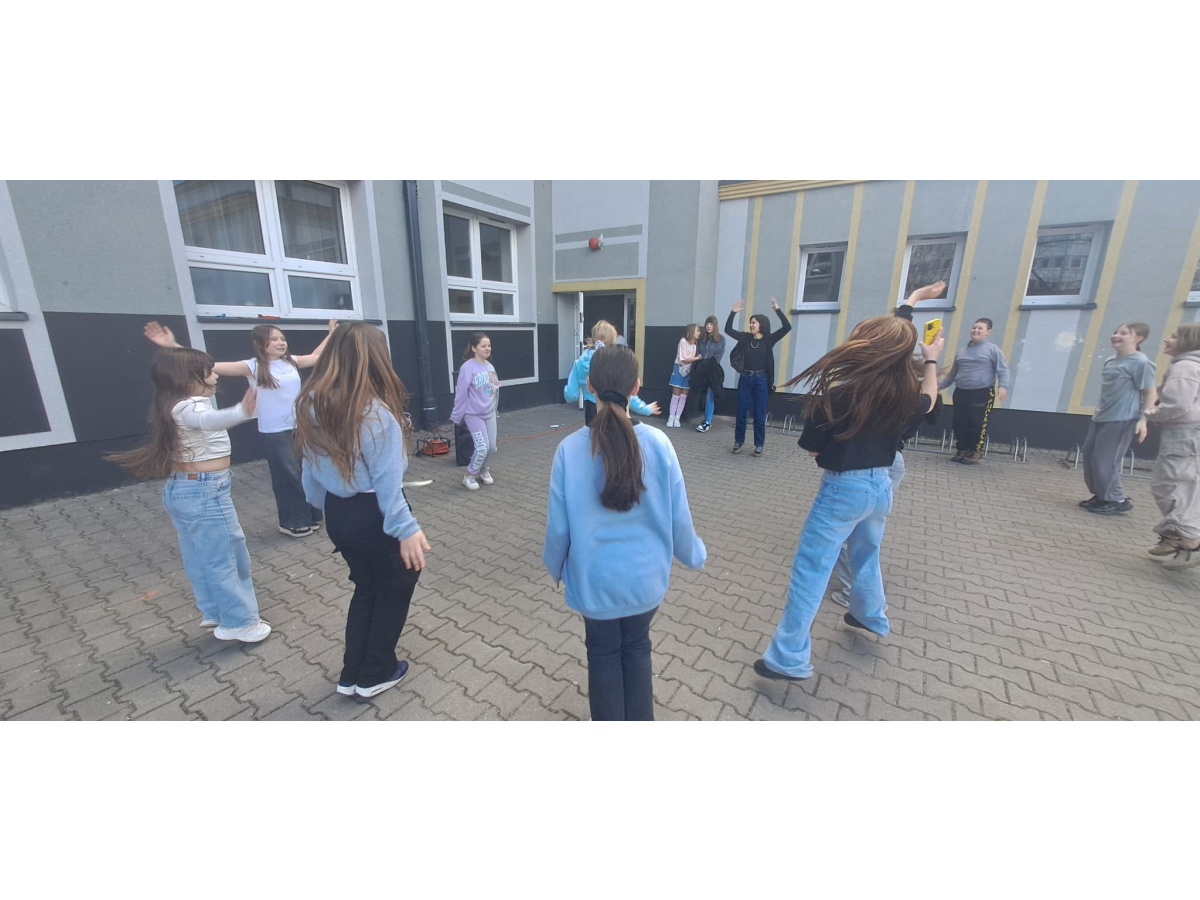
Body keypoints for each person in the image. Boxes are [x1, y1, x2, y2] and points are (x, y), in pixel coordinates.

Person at [754, 314, 945, 681]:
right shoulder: (905, 396)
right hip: (881, 486)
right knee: (866, 554)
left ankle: (787, 658)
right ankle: (869, 615)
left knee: (811, 569)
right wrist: (932, 358)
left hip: (844, 489)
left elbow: (814, 450)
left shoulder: (839, 395)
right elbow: (930, 399)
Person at [544, 345, 706, 720]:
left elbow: (558, 529)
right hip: (646, 584)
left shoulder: (568, 450)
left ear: (589, 386)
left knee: (602, 654)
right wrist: (694, 554)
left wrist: (555, 567)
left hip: (593, 584)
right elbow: (679, 517)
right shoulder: (660, 444)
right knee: (636, 648)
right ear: (636, 387)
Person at [295, 322, 432, 698]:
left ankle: (352, 673)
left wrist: (319, 503)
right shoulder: (375, 414)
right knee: (394, 587)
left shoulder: (311, 403)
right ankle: (375, 673)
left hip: (340, 514)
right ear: (374, 358)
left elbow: (309, 466)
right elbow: (388, 483)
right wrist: (406, 529)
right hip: (376, 515)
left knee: (367, 587)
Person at [105, 348, 270, 642]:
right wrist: (241, 411)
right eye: (208, 372)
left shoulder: (177, 405)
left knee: (202, 557)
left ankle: (215, 611)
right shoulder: (189, 407)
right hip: (204, 492)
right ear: (187, 378)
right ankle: (240, 622)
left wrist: (248, 411)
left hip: (189, 490)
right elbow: (208, 421)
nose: (215, 376)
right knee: (228, 558)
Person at [143, 319, 338, 537]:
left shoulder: (291, 362)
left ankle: (312, 515)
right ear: (261, 344)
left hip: (299, 428)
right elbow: (208, 365)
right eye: (274, 339)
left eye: (282, 338)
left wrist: (331, 334)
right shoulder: (252, 366)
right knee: (288, 477)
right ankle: (293, 522)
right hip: (274, 432)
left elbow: (317, 356)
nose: (281, 343)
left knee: (305, 472)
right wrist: (172, 345)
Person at [827, 282, 945, 608]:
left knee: (852, 534)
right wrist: (915, 300)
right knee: (864, 533)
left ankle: (853, 593)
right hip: (888, 464)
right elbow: (929, 397)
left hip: (870, 465)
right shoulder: (909, 387)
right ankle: (863, 595)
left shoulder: (884, 390)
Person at [1080, 323, 1156, 516]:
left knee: (1106, 460)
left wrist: (1143, 420)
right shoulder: (1111, 360)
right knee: (1090, 456)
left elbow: (1150, 392)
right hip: (1101, 416)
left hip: (1122, 418)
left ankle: (1116, 499)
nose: (1116, 335)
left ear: (1138, 338)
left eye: (1123, 333)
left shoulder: (1141, 363)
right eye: (1115, 332)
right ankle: (1101, 495)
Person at [1144, 323, 1200, 570]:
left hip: (1184, 435)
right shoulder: (1190, 365)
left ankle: (1190, 541)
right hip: (1188, 434)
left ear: (1189, 341)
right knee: (1182, 486)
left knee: (1170, 486)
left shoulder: (1185, 367)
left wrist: (1151, 413)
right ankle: (1173, 536)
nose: (1167, 339)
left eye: (1175, 336)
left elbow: (1177, 405)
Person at [725, 298, 792, 456]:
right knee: (741, 412)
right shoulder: (745, 338)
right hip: (745, 378)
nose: (751, 325)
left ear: (761, 324)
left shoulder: (769, 340)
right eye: (750, 323)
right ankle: (738, 441)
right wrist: (733, 313)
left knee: (759, 414)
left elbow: (787, 327)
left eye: (753, 323)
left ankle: (759, 444)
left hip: (761, 380)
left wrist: (777, 310)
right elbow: (728, 329)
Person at [938, 317, 1009, 464]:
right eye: (974, 327)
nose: (975, 330)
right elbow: (952, 374)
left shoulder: (993, 350)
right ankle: (962, 449)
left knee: (977, 424)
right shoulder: (961, 351)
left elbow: (1003, 370)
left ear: (988, 332)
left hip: (982, 392)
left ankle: (974, 451)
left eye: (980, 328)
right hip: (961, 392)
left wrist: (1003, 387)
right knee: (959, 423)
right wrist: (937, 387)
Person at [565, 320, 660, 425]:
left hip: (591, 411)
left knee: (592, 435)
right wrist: (645, 409)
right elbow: (627, 392)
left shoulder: (579, 363)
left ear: (593, 339)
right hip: (616, 409)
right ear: (614, 340)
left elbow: (570, 394)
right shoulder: (617, 362)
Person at [450, 332, 501, 492]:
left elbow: (494, 390)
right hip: (473, 415)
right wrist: (457, 416)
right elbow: (461, 394)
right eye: (483, 346)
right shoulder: (467, 368)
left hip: (489, 414)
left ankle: (484, 471)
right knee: (482, 447)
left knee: (492, 447)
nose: (487, 348)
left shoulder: (490, 367)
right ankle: (470, 475)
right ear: (474, 348)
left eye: (489, 346)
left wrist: (494, 407)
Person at [692, 315, 726, 432]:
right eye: (707, 324)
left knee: (709, 396)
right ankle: (706, 418)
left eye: (711, 324)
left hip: (712, 371)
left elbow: (718, 356)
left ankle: (707, 422)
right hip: (701, 370)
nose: (708, 326)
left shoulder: (721, 339)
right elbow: (698, 353)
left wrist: (706, 363)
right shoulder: (702, 339)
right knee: (701, 395)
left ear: (715, 326)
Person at [665, 323, 702, 428]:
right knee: (676, 395)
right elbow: (683, 359)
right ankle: (671, 418)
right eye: (697, 330)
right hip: (679, 368)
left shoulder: (695, 345)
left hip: (688, 371)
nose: (699, 333)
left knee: (683, 396)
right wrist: (698, 358)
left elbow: (689, 360)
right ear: (691, 331)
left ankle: (677, 418)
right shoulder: (683, 341)